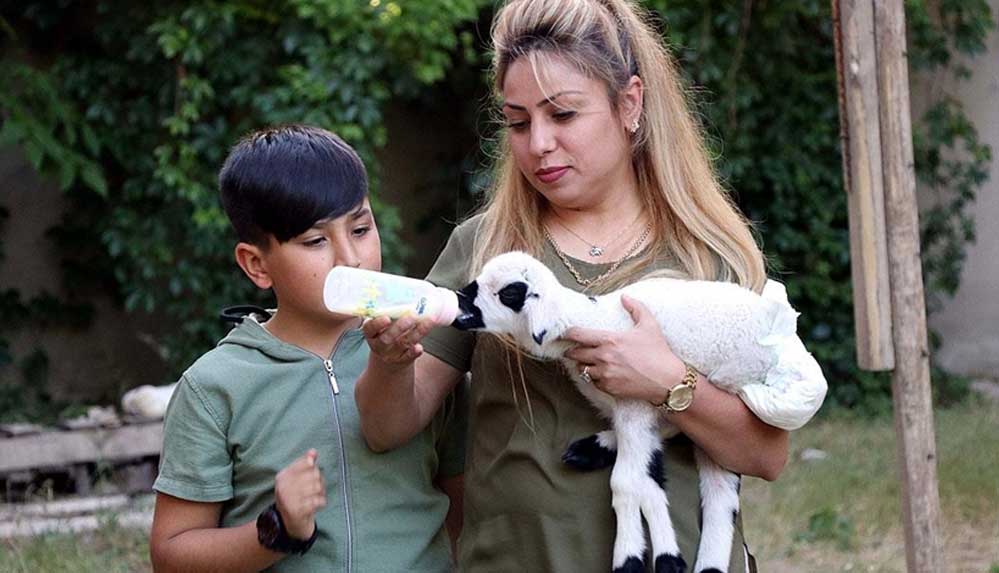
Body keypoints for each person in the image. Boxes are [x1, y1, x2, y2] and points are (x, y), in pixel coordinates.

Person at [354, 1, 810, 572]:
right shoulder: (488, 252)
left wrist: (669, 381)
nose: (539, 143)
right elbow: (385, 428)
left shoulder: (708, 257)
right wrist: (390, 363)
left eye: (563, 114)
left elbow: (766, 456)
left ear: (630, 104)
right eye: (518, 122)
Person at [149, 125, 466, 572]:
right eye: (316, 241)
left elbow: (466, 515)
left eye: (361, 228)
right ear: (256, 264)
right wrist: (276, 531)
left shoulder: (424, 355)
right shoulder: (214, 387)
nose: (350, 258)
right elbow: (171, 555)